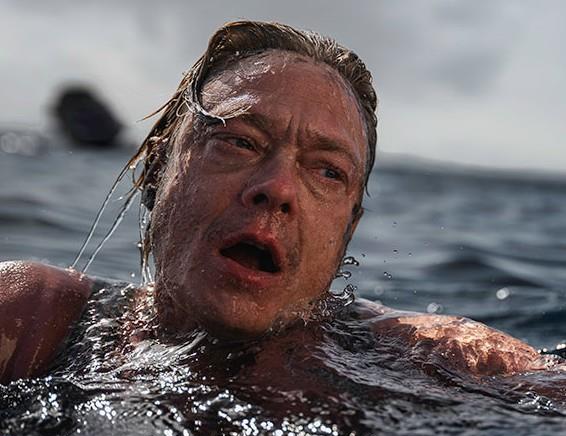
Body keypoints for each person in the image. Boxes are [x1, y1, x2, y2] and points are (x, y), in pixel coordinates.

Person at [0, 20, 548, 385]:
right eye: (239, 142)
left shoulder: (434, 360)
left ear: (348, 232)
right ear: (157, 172)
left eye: (327, 172)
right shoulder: (31, 318)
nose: (279, 189)